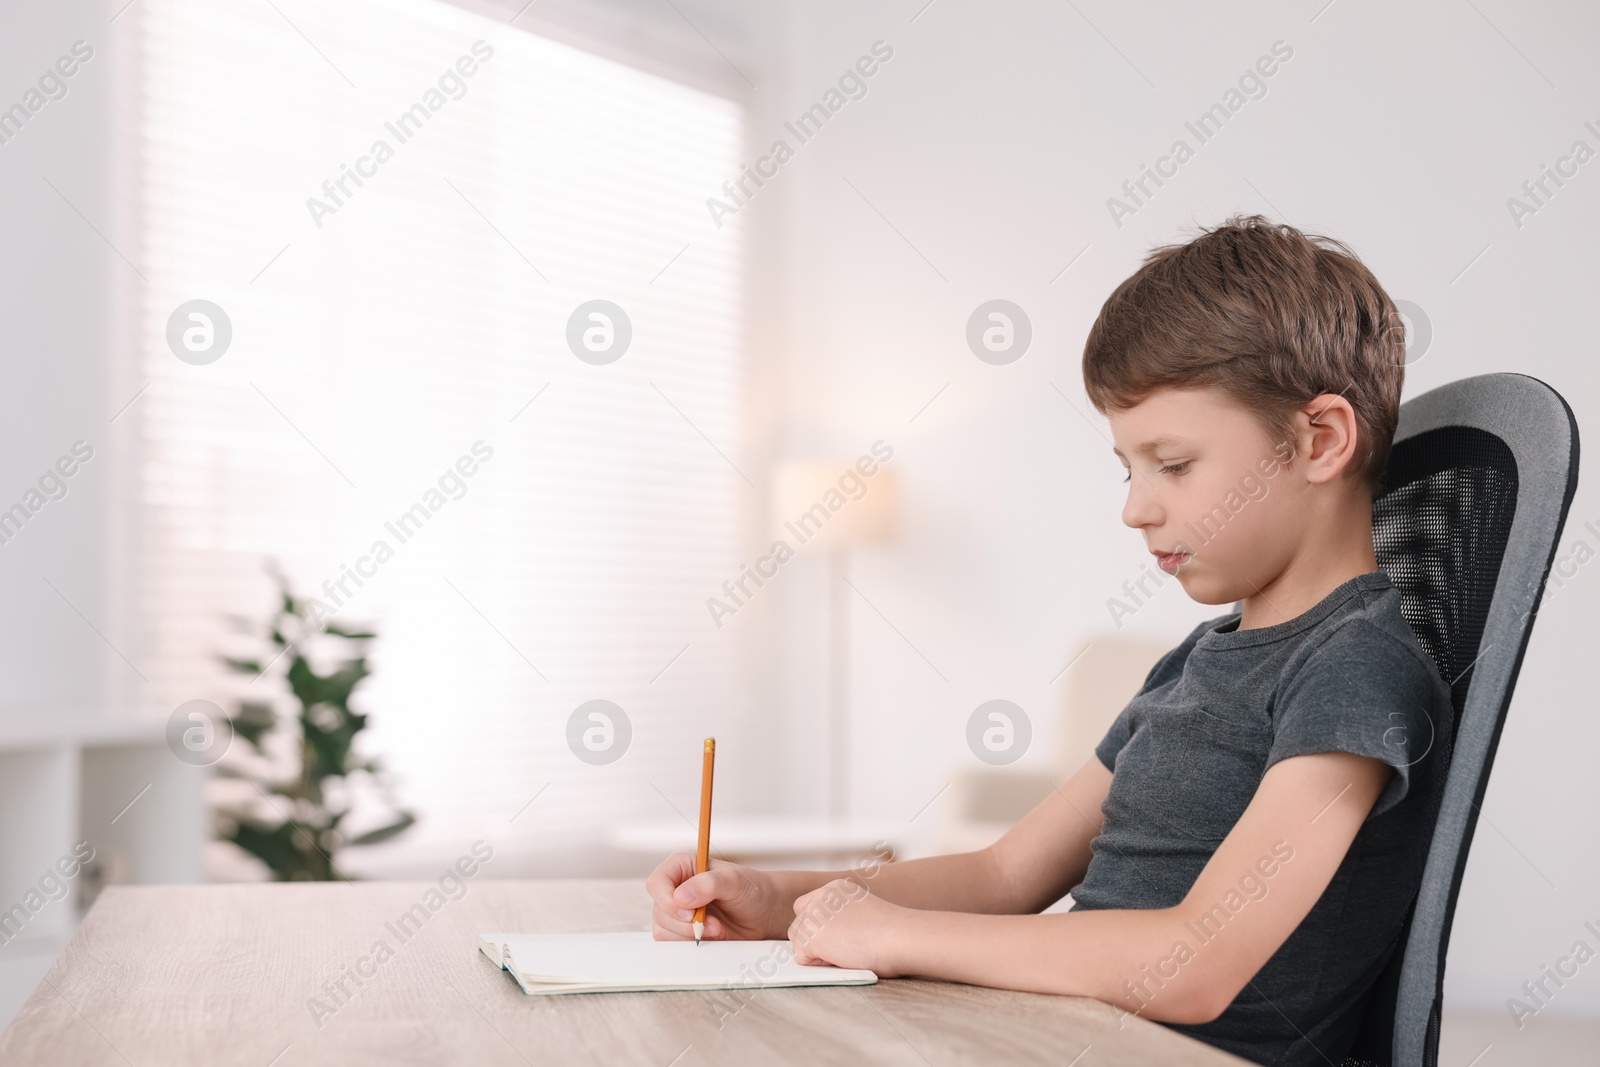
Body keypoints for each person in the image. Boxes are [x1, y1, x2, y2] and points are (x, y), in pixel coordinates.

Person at [646, 214, 1452, 1066]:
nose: (1135, 507)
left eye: (1173, 464)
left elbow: (1197, 962)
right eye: (1127, 468)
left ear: (1319, 440)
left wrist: (896, 935)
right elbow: (1004, 875)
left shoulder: (1355, 672)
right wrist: (777, 897)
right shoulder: (1195, 661)